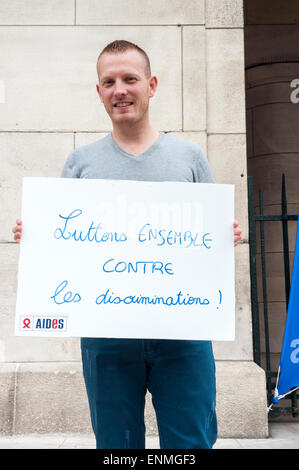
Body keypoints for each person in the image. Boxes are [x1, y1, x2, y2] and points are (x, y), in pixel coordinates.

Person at [13, 40, 242, 449]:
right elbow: (64, 248)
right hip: (107, 336)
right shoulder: (80, 162)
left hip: (183, 332)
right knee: (116, 446)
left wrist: (228, 237)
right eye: (109, 81)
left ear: (151, 85)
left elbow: (209, 239)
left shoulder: (189, 157)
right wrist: (37, 237)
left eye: (130, 79)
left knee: (190, 443)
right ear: (98, 91)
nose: (120, 89)